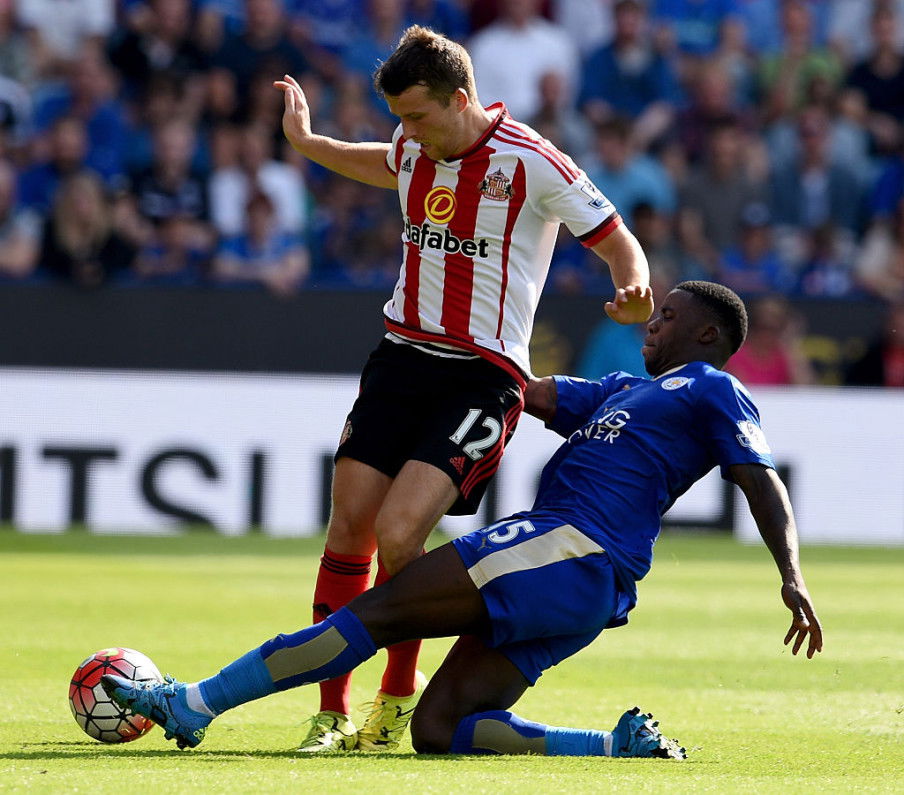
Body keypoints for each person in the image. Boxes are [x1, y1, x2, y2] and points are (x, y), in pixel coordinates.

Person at [101, 281, 823, 759]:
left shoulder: (713, 386)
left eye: (669, 316)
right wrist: (458, 350)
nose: (653, 323)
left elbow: (759, 479)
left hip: (570, 547)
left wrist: (790, 574)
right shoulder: (623, 391)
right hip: (581, 584)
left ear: (707, 335)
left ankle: (193, 703)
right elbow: (528, 392)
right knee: (440, 729)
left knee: (377, 610)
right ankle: (617, 745)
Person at [272, 25, 653, 753]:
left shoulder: (532, 162)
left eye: (416, 115)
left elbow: (612, 233)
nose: (405, 133)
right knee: (348, 522)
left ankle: (395, 697)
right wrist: (312, 145)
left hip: (482, 375)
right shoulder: (417, 144)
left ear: (462, 98)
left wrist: (631, 282)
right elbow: (382, 162)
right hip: (400, 356)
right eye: (398, 119)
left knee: (399, 532)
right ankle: (332, 711)